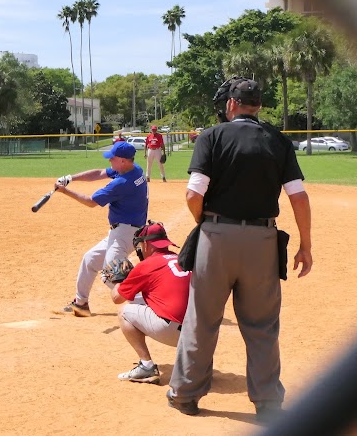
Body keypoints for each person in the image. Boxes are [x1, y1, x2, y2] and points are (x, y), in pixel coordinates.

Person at [166, 78, 313, 422]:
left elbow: (193, 194)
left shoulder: (212, 136)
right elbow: (298, 196)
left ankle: (186, 395)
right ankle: (268, 403)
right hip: (262, 240)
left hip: (217, 237)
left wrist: (207, 224)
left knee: (202, 320)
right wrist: (305, 245)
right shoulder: (277, 139)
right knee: (262, 326)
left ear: (231, 104)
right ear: (257, 106)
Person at [54, 141, 149, 317]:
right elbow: (99, 173)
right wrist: (71, 178)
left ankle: (148, 304)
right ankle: (81, 304)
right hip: (124, 231)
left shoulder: (121, 183)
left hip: (125, 233)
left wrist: (65, 191)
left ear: (122, 161)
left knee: (111, 273)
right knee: (90, 259)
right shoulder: (134, 169)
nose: (109, 160)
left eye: (113, 158)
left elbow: (91, 202)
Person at [110, 222, 190, 385]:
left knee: (124, 312)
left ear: (146, 244)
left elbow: (117, 298)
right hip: (203, 335)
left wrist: (118, 280)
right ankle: (199, 364)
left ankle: (146, 366)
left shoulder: (146, 265)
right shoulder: (181, 259)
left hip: (174, 333)